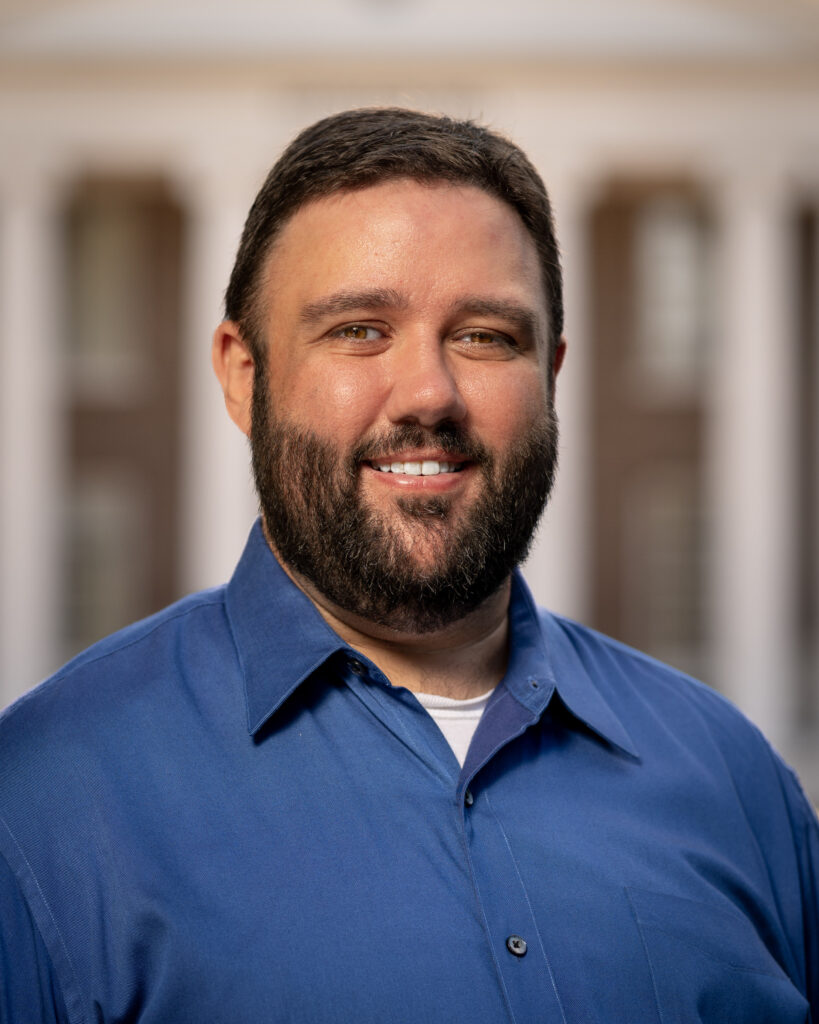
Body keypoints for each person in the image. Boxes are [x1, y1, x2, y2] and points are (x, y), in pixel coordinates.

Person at [0, 107, 816, 1023]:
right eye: (357, 329)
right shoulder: (43, 801)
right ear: (241, 374)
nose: (429, 393)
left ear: (549, 376)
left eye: (484, 337)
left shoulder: (734, 780)